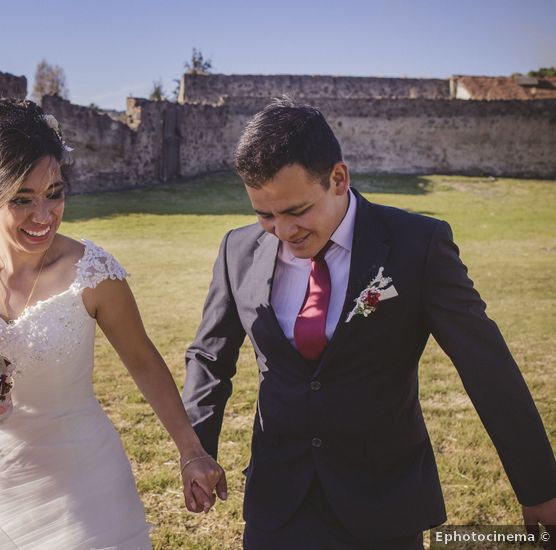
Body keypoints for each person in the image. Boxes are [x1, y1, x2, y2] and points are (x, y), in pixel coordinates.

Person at [181, 97, 556, 548]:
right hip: (278, 502)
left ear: (338, 178)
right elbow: (210, 357)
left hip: (384, 500)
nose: (283, 231)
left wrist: (540, 488)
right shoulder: (236, 251)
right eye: (265, 214)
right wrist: (196, 448)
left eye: (297, 211)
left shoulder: (417, 244)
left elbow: (485, 364)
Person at [0, 95, 226, 549]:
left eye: (54, 194)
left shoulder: (93, 272)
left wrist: (191, 452)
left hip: (84, 489)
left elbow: (142, 359)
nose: (43, 216)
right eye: (22, 200)